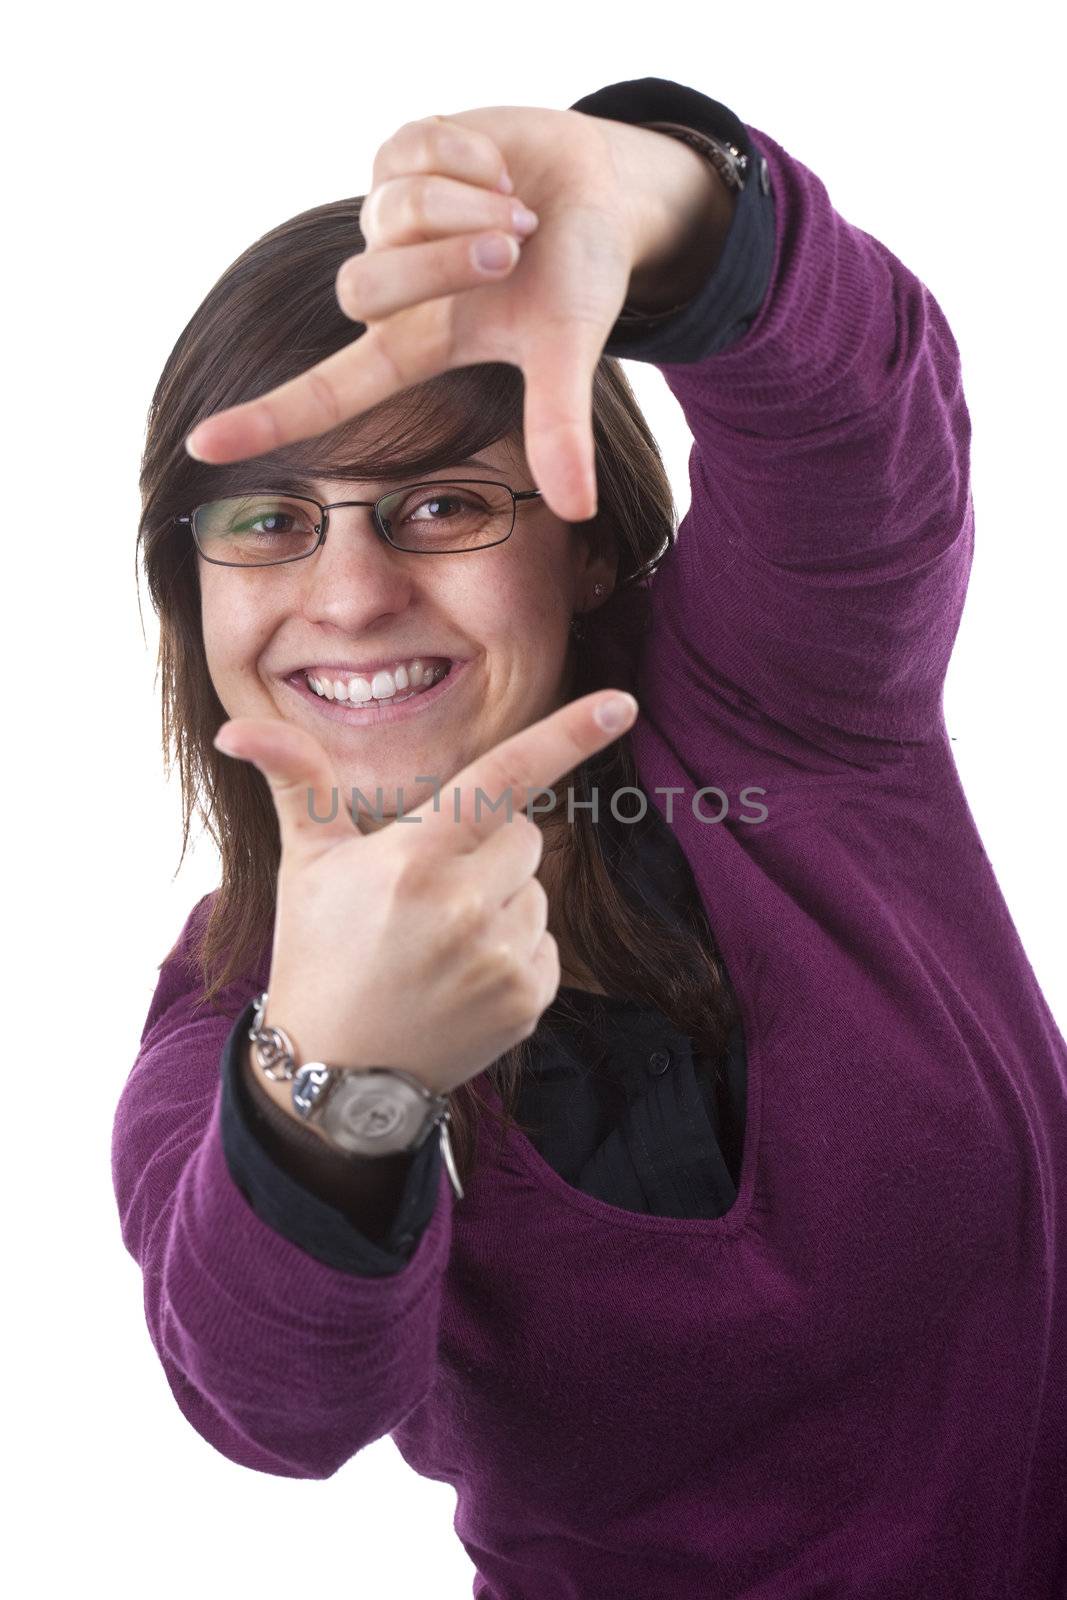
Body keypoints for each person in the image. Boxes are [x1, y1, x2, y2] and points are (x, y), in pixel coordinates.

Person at [111, 75, 1067, 1599]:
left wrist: (679, 217)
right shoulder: (241, 1001)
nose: (349, 597)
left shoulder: (782, 707)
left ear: (594, 533)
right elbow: (272, 1403)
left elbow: (862, 430)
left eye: (437, 504)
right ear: (198, 591)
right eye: (271, 521)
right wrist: (340, 1079)